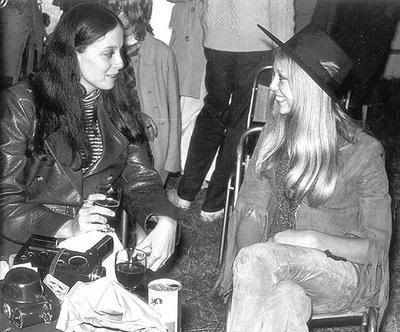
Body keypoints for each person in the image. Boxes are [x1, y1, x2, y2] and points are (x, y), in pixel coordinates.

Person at [216, 24, 392, 331]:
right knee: (286, 299)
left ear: (309, 90)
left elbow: (376, 249)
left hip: (339, 275)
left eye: (282, 78)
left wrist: (312, 240)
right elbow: (251, 208)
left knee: (259, 262)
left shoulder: (363, 152)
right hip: (273, 270)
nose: (271, 86)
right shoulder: (274, 134)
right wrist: (256, 246)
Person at [0, 3, 179, 272]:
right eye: (109, 53)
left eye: (121, 51)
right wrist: (69, 226)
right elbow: (5, 202)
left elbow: (140, 180)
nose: (120, 63)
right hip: (30, 252)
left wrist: (164, 219)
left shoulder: (118, 100)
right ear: (73, 55)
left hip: (96, 247)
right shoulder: (23, 104)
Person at [167, 0, 294, 222]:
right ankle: (215, 203)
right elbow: (281, 7)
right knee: (242, 120)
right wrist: (286, 48)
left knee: (212, 112)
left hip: (216, 39)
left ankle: (185, 193)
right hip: (257, 40)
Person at [114, 0, 181, 185]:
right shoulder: (105, 51)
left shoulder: (162, 53)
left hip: (152, 147)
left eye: (120, 8)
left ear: (137, 11)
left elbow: (173, 110)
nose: (113, 12)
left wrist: (171, 161)